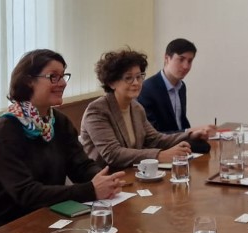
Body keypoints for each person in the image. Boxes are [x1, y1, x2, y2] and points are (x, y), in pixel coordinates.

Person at [0, 49, 124, 231]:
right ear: (28, 80)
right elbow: (27, 193)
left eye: (63, 76)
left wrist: (104, 179)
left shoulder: (58, 121)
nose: (63, 83)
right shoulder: (6, 130)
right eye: (53, 77)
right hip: (2, 227)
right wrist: (91, 190)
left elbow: (80, 166)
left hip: (46, 215)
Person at [80, 48, 209, 171]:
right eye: (128, 78)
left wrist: (189, 135)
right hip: (106, 178)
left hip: (133, 173)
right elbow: (113, 154)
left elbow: (156, 139)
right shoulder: (97, 111)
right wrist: (160, 155)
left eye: (139, 76)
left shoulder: (136, 107)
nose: (136, 83)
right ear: (112, 83)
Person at [138, 37, 213, 151]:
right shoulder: (147, 89)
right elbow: (153, 135)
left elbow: (181, 123)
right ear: (167, 58)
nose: (186, 66)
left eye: (190, 61)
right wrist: (189, 131)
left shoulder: (181, 87)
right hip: (161, 148)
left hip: (181, 143)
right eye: (181, 59)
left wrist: (196, 133)